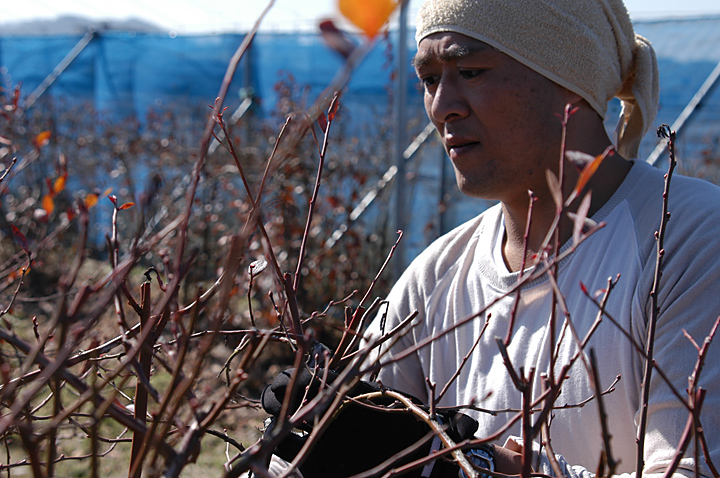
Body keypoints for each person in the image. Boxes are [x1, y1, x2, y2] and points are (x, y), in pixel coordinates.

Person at [261, 0, 720, 476]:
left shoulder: (688, 241)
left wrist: (477, 467)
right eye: (430, 79)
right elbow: (377, 435)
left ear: (570, 78)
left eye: (472, 71)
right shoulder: (434, 278)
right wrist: (314, 437)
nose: (442, 107)